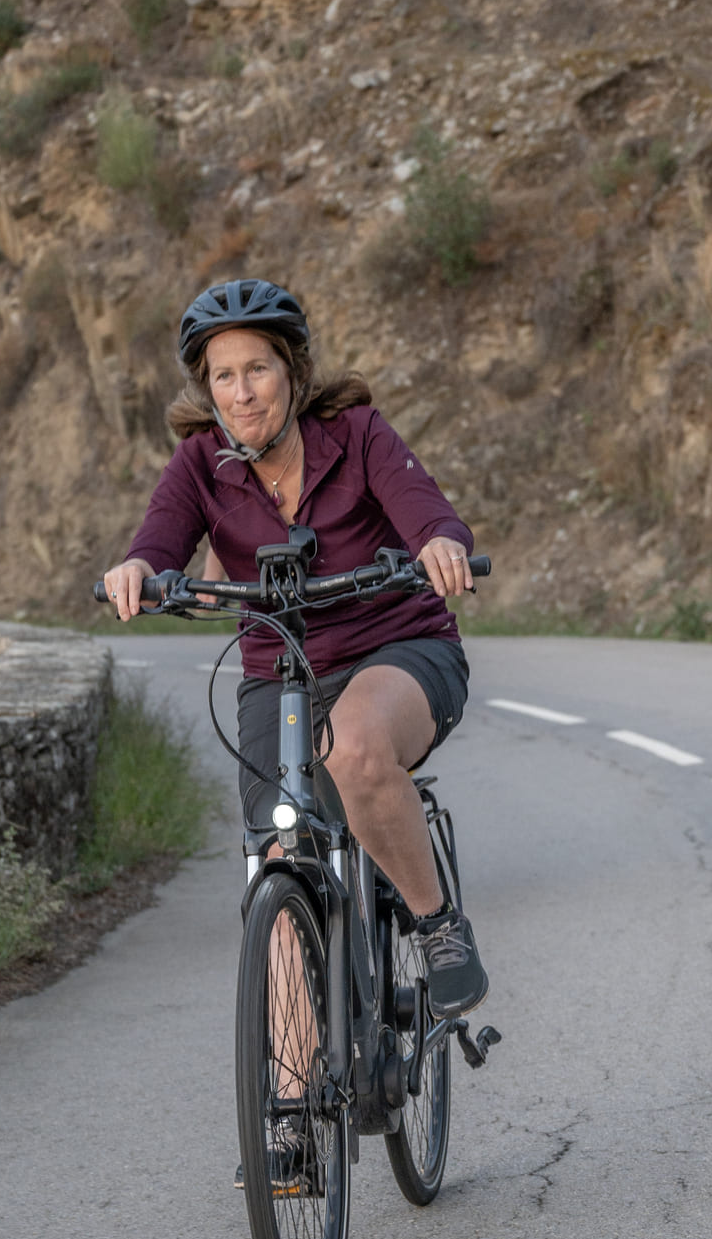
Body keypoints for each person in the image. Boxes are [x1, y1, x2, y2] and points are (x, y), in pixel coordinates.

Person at [101, 276, 488, 1020]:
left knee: (353, 751)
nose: (242, 392)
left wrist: (440, 548)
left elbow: (431, 518)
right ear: (207, 389)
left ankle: (437, 926)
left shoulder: (357, 434)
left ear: (292, 372)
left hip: (398, 650)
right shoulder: (198, 463)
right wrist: (138, 571)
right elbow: (158, 542)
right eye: (223, 375)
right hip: (277, 673)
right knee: (277, 863)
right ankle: (288, 1116)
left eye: (257, 369)